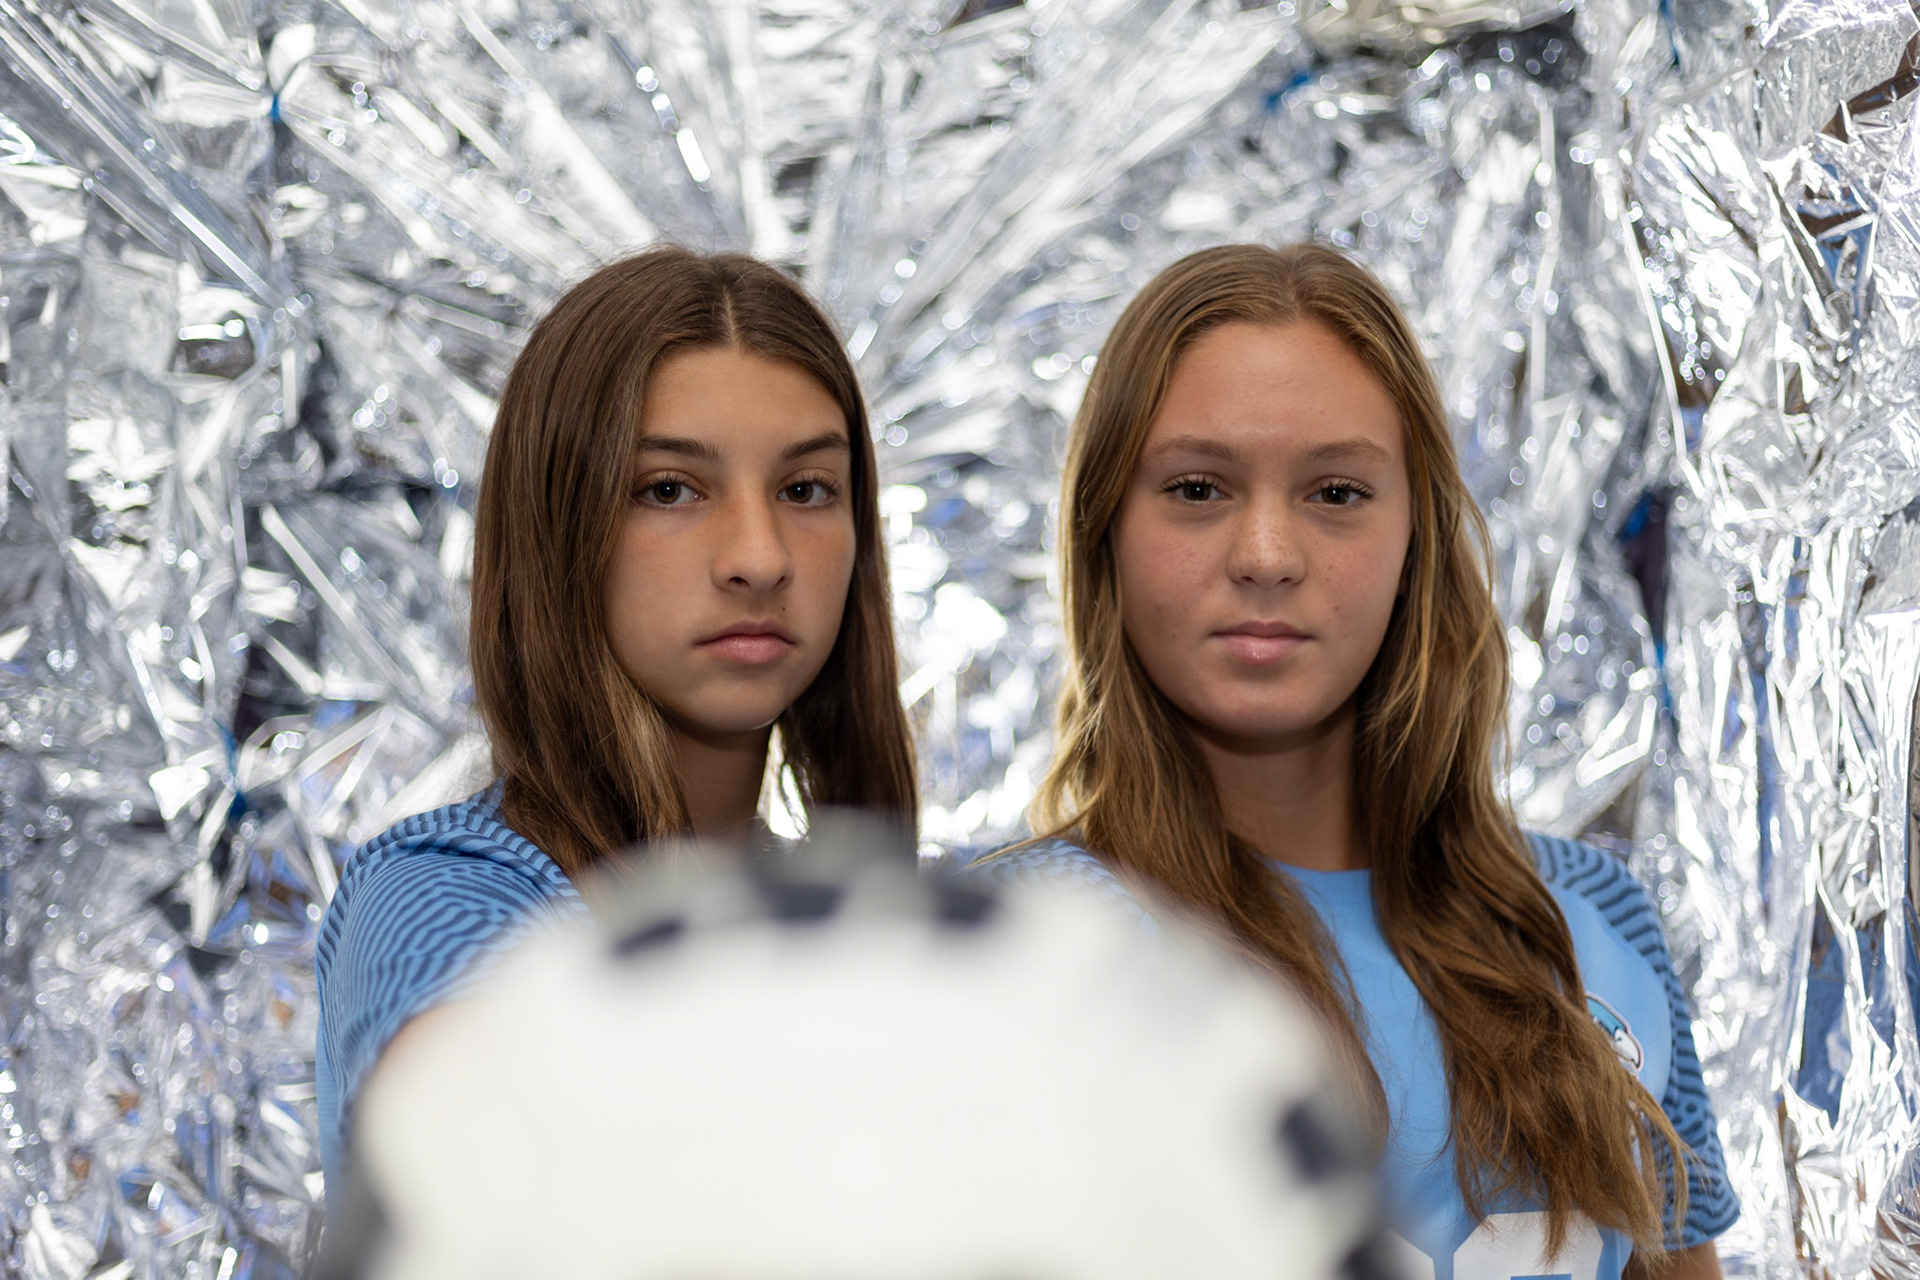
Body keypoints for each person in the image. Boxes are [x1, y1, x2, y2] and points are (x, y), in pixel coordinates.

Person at [969, 243, 1736, 1278]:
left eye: (1336, 492)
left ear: (1417, 534)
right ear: (1103, 530)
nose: (1268, 554)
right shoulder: (997, 952)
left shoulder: (1596, 913)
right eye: (1198, 487)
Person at [314, 248, 917, 1195]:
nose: (759, 558)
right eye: (669, 489)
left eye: (805, 491)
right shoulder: (443, 893)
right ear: (557, 528)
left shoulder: (860, 918)